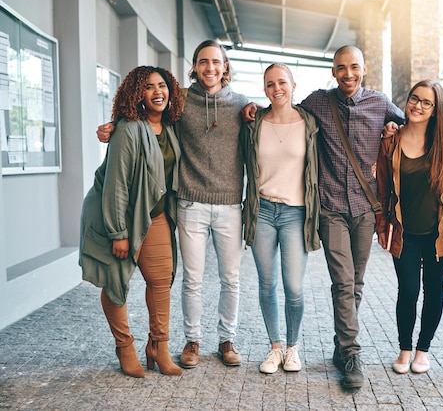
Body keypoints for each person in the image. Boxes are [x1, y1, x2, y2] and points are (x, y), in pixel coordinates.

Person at [244, 45, 404, 389]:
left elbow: (414, 126)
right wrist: (252, 109)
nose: (348, 74)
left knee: (356, 283)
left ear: (364, 69)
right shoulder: (318, 103)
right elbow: (282, 110)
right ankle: (350, 353)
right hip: (330, 208)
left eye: (354, 67)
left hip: (366, 208)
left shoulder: (380, 103)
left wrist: (394, 131)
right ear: (333, 71)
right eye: (341, 67)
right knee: (344, 282)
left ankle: (339, 344)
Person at [97, 40, 249, 368]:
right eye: (203, 62)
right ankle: (191, 341)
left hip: (229, 205)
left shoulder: (242, 105)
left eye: (216, 62)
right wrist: (115, 126)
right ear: (193, 67)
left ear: (225, 67)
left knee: (230, 278)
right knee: (190, 279)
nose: (210, 68)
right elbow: (143, 117)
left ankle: (227, 339)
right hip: (189, 203)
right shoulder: (180, 104)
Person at [80, 66, 184, 377]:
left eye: (162, 85)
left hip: (156, 216)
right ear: (137, 94)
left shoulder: (170, 127)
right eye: (149, 87)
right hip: (120, 218)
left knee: (161, 280)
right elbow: (116, 185)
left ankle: (159, 346)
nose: (157, 92)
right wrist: (118, 233)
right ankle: (124, 347)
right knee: (115, 282)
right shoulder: (127, 129)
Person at [240, 63, 320, 374]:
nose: (277, 89)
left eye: (282, 82)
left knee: (294, 287)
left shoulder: (309, 123)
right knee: (267, 283)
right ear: (264, 89)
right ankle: (274, 347)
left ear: (293, 85)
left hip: (295, 213)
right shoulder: (254, 122)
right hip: (262, 212)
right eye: (270, 84)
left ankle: (293, 348)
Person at [376, 80, 443, 375]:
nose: (418, 106)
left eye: (426, 102)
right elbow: (383, 189)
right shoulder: (391, 140)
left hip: (438, 232)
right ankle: (404, 349)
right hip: (404, 232)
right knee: (408, 291)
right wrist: (382, 226)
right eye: (414, 99)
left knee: (433, 290)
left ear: (435, 110)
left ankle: (423, 350)